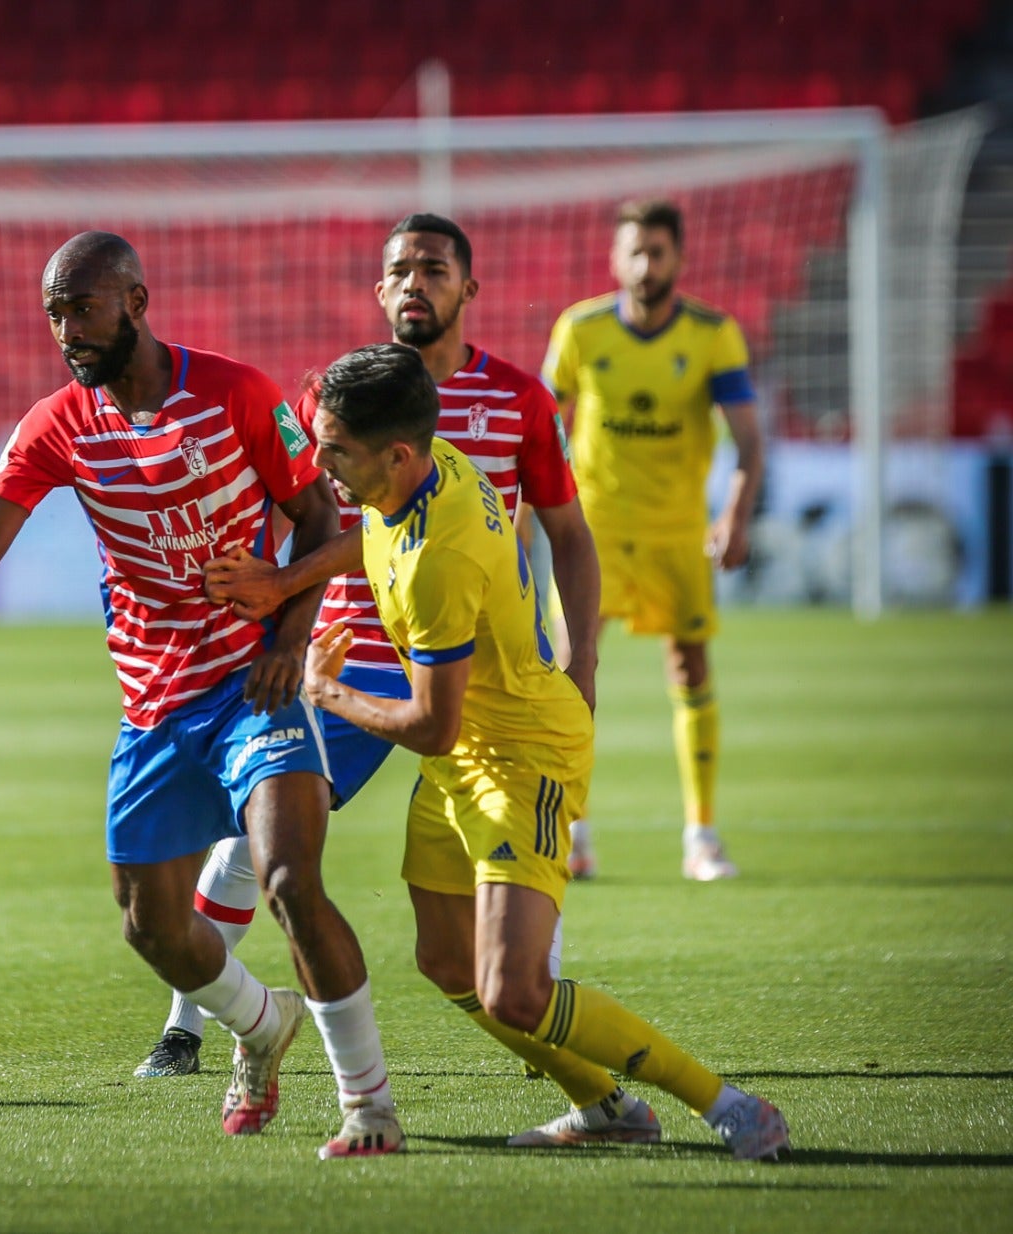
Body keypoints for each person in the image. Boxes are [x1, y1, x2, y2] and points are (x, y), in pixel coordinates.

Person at [0, 231, 404, 1159]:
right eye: (55, 313)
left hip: (253, 687)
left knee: (289, 880)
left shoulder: (236, 391)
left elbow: (318, 517)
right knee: (150, 926)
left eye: (83, 307)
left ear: (135, 302)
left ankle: (371, 1107)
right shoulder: (58, 423)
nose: (67, 329)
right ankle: (260, 1025)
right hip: (153, 702)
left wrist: (287, 633)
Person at [133, 213, 600, 1081]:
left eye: (435, 268)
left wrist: (585, 664)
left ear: (470, 287)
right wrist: (283, 619)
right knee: (252, 832)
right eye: (400, 270)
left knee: (508, 841)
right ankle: (189, 1023)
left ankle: (545, 1022)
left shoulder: (522, 400)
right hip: (349, 653)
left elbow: (567, 535)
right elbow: (302, 518)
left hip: (485, 667)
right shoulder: (328, 396)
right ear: (379, 290)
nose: (416, 282)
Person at [302, 341, 790, 1159]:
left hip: (518, 758)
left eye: (335, 450)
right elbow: (382, 541)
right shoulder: (437, 462)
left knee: (516, 991)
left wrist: (327, 692)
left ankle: (728, 1104)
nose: (321, 465)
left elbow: (432, 726)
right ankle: (604, 1105)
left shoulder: (438, 561)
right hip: (467, 758)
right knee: (444, 961)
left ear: (393, 453)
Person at [541, 199, 764, 881]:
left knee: (689, 669)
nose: (645, 265)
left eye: (657, 252)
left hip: (674, 532)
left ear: (678, 258)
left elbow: (749, 439)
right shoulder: (581, 330)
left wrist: (735, 516)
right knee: (575, 673)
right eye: (633, 252)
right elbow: (540, 424)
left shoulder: (712, 334)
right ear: (615, 259)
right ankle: (572, 834)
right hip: (593, 531)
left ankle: (702, 836)